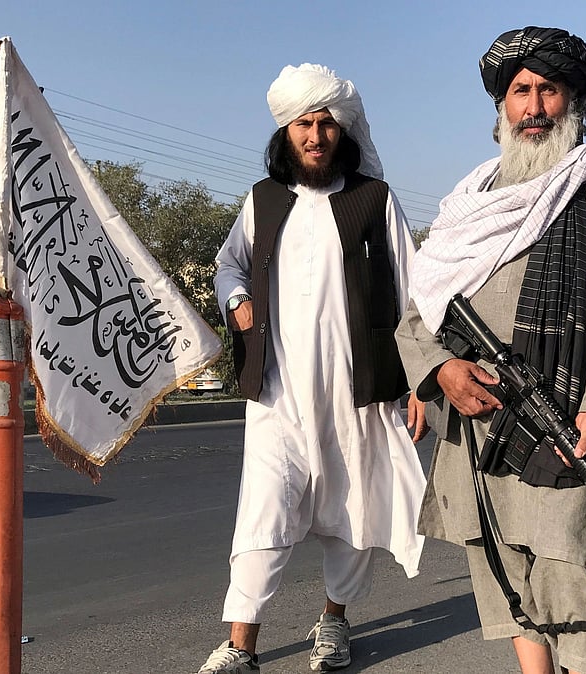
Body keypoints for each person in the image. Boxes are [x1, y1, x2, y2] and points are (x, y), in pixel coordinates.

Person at [395, 27, 586, 674]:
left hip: (560, 416)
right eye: (521, 91)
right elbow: (419, 303)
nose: (534, 107)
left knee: (568, 575)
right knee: (502, 573)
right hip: (474, 415)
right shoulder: (471, 200)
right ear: (501, 106)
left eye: (549, 90)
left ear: (573, 102)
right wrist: (439, 369)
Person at [198, 63, 428, 674]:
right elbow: (229, 267)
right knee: (264, 514)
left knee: (352, 514)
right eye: (305, 122)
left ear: (342, 132)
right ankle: (239, 646)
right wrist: (238, 302)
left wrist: (421, 382)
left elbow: (414, 292)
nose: (316, 135)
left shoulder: (373, 200)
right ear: (286, 131)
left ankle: (333, 622)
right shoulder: (262, 200)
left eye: (327, 123)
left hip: (359, 393)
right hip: (277, 395)